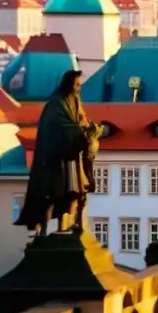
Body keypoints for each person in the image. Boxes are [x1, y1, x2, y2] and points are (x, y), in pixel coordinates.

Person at [15, 70, 103, 235]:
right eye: (76, 85)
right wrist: (80, 130)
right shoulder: (56, 105)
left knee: (73, 193)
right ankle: (43, 232)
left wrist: (92, 129)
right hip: (54, 161)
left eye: (79, 85)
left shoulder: (75, 102)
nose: (78, 88)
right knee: (50, 196)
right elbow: (62, 126)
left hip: (72, 158)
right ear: (68, 84)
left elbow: (82, 121)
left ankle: (68, 227)